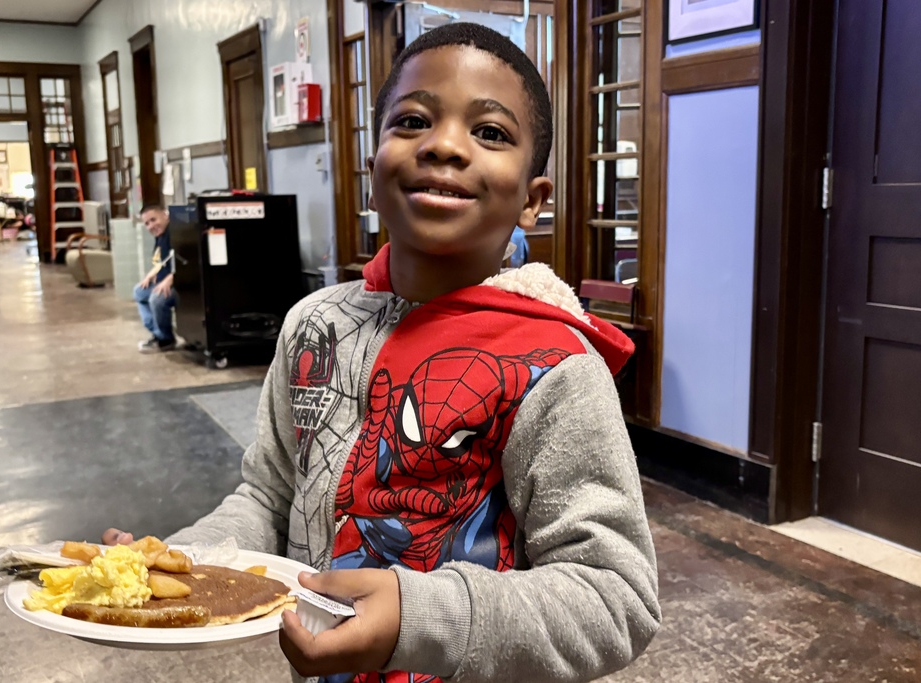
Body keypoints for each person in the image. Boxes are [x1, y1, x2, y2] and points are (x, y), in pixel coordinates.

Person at [105, 23, 659, 682]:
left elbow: (615, 596)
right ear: (372, 171)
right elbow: (268, 496)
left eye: (490, 131)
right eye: (413, 120)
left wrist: (417, 614)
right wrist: (185, 560)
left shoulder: (554, 365)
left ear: (533, 200)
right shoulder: (314, 325)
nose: (444, 145)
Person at [133, 204, 176, 353]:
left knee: (156, 299)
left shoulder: (176, 233)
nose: (151, 226)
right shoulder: (160, 237)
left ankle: (166, 340)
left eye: (153, 220)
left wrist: (170, 279)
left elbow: (188, 261)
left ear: (165, 215)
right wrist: (151, 274)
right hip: (164, 280)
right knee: (139, 291)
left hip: (180, 283)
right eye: (147, 223)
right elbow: (163, 261)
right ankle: (158, 333)